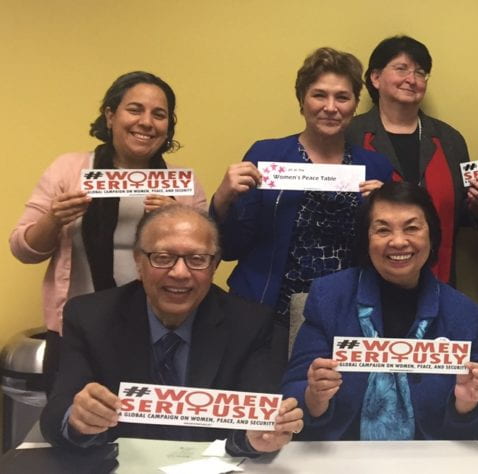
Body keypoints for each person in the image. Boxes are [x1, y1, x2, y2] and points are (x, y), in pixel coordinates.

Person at [39, 205, 302, 455]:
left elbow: (251, 425)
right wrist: (77, 420)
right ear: (138, 262)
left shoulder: (251, 323)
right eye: (162, 258)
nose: (179, 272)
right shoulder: (90, 317)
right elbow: (56, 415)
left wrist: (255, 438)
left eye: (197, 259)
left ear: (214, 266)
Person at [9, 71, 207, 391]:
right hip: (76, 331)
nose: (146, 122)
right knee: (74, 421)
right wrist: (54, 219)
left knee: (140, 428)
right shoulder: (69, 170)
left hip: (157, 333)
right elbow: (23, 249)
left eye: (159, 114)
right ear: (111, 115)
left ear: (168, 126)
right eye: (134, 109)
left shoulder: (183, 184)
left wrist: (175, 219)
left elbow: (205, 258)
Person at [282, 182, 478, 440]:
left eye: (412, 228)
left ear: (432, 235)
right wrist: (314, 397)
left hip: (428, 460)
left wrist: (466, 403)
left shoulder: (462, 312)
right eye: (383, 230)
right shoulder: (330, 297)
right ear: (366, 239)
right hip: (342, 455)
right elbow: (291, 397)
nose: (398, 241)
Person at [210, 48, 393, 342]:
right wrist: (222, 200)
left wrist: (387, 212)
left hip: (345, 314)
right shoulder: (267, 155)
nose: (331, 107)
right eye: (319, 95)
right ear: (302, 100)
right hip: (267, 311)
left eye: (342, 97)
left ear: (356, 104)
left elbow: (390, 252)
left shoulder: (376, 167)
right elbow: (231, 248)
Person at [347, 35, 478, 285]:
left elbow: (464, 217)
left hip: (438, 279)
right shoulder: (351, 134)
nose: (411, 79)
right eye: (401, 68)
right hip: (366, 278)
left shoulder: (449, 140)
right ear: (376, 77)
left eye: (420, 72)